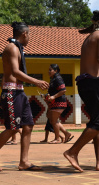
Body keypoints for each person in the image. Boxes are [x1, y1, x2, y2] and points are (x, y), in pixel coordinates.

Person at [0, 22, 49, 172]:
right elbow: (16, 72)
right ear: (24, 34)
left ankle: (24, 162)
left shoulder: (17, 48)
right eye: (29, 35)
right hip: (11, 92)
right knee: (12, 128)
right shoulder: (11, 48)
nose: (29, 38)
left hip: (19, 92)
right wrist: (36, 81)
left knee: (28, 125)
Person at [64, 10, 99, 172]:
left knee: (96, 122)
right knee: (98, 122)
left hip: (85, 83)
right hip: (93, 84)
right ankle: (72, 152)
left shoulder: (90, 37)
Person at [42, 64, 73, 144]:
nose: (49, 71)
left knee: (54, 121)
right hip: (55, 102)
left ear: (56, 71)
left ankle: (57, 139)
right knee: (53, 120)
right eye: (48, 70)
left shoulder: (58, 78)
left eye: (50, 70)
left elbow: (63, 90)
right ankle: (66, 133)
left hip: (59, 102)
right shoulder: (53, 79)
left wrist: (54, 97)